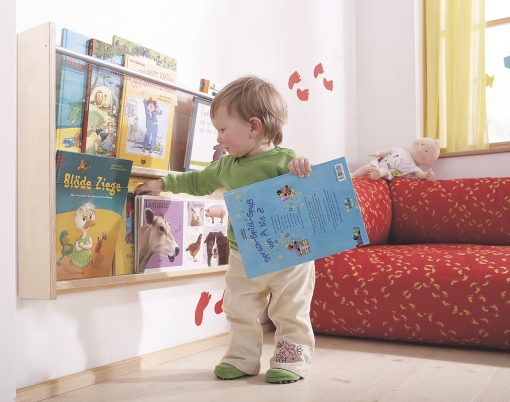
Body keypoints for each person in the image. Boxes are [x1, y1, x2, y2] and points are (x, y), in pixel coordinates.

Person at [135, 75, 315, 384]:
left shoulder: (286, 161)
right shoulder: (226, 166)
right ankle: (242, 357)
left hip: (289, 255)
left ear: (253, 127)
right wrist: (163, 183)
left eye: (222, 129)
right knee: (239, 307)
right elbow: (197, 181)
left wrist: (303, 169)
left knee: (289, 309)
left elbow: (310, 191)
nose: (219, 138)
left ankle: (292, 358)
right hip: (244, 252)